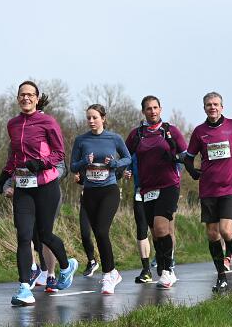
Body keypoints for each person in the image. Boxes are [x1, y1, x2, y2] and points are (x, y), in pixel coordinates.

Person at [0, 81, 78, 306]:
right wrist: (4, 176)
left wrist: (40, 163)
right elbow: (14, 156)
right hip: (23, 187)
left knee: (45, 235)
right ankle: (24, 288)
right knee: (23, 236)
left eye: (30, 95)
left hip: (45, 186)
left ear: (37, 98)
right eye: (22, 95)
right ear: (17, 98)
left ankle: (66, 266)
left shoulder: (48, 122)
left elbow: (59, 154)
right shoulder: (12, 124)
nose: (26, 98)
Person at [185, 92, 232, 292]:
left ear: (222, 107)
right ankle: (221, 276)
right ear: (204, 108)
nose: (212, 107)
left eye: (215, 104)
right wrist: (193, 172)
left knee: (226, 230)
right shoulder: (199, 131)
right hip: (208, 189)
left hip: (230, 187)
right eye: (209, 105)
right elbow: (188, 157)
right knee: (212, 234)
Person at [126, 95, 188, 289]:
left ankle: (168, 270)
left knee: (162, 228)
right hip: (147, 188)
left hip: (169, 184)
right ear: (143, 111)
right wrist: (124, 169)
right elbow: (126, 155)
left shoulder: (170, 131)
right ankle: (162, 265)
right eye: (148, 108)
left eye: (155, 107)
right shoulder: (137, 134)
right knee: (155, 232)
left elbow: (186, 155)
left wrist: (175, 159)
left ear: (160, 109)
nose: (152, 111)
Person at [70, 104, 131, 294]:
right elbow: (72, 166)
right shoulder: (81, 140)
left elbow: (128, 158)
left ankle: (107, 274)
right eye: (88, 118)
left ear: (103, 118)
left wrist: (114, 163)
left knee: (102, 231)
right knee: (98, 234)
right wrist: (84, 162)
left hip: (109, 190)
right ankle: (112, 272)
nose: (91, 121)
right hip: (90, 192)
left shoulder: (114, 138)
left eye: (95, 117)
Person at [124, 154, 153, 283]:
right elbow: (129, 168)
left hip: (159, 191)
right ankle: (146, 270)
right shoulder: (135, 152)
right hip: (140, 192)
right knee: (141, 230)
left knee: (159, 230)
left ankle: (166, 266)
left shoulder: (161, 146)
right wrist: (127, 173)